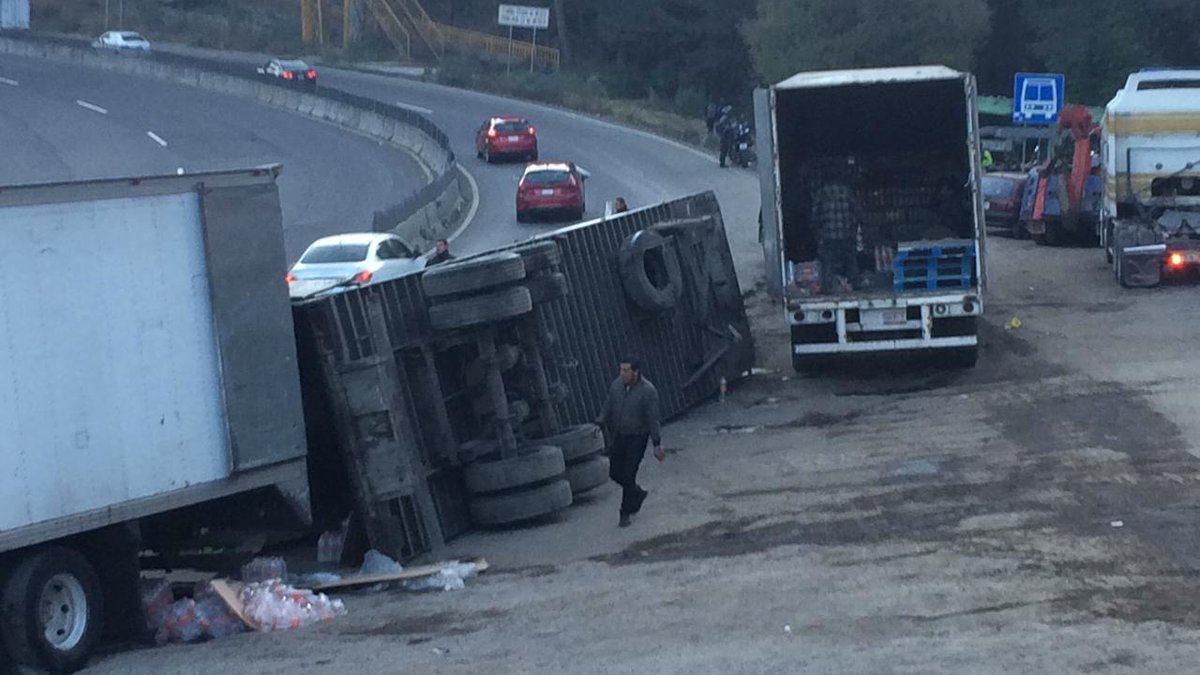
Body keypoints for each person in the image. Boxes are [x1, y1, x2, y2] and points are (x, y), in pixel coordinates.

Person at [595, 356, 665, 527]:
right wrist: (601, 420)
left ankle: (625, 512)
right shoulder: (617, 385)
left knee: (628, 473)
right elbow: (609, 403)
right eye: (621, 370)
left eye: (626, 370)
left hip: (638, 437)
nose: (622, 374)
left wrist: (656, 443)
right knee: (614, 472)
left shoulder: (648, 391)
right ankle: (637, 493)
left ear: (636, 372)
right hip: (620, 435)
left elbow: (653, 419)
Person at [811, 171, 863, 294]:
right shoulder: (847, 191)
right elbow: (857, 210)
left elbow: (815, 213)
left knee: (828, 261)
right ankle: (855, 283)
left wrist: (817, 228)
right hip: (846, 232)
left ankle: (827, 287)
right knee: (851, 259)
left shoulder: (822, 192)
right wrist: (854, 226)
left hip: (829, 233)